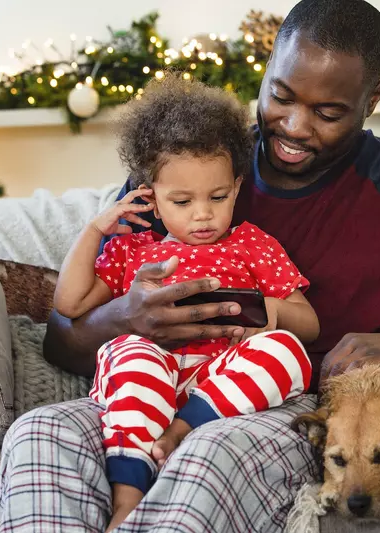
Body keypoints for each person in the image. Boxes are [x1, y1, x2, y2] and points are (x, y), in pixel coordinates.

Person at [0, 1, 380, 531]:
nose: (296, 127)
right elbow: (62, 340)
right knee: (38, 433)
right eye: (281, 96)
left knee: (208, 457)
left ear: (372, 99)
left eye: (328, 111)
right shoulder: (190, 166)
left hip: (278, 402)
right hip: (145, 387)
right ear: (266, 70)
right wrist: (127, 317)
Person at [51, 74, 319, 532]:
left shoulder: (252, 243)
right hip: (154, 372)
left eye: (217, 197)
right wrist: (94, 231)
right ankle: (128, 499)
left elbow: (309, 324)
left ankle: (184, 428)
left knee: (289, 352)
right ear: (152, 199)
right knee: (129, 352)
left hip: (223, 384)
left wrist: (267, 313)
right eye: (182, 200)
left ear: (236, 188)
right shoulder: (134, 251)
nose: (202, 214)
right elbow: (71, 303)